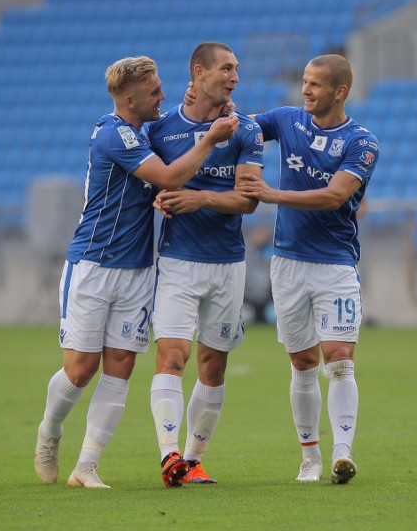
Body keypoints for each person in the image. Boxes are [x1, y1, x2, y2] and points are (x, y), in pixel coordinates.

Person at [33, 56, 238, 489]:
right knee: (81, 368)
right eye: (154, 91)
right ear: (129, 99)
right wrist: (210, 139)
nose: (162, 95)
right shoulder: (114, 135)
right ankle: (50, 430)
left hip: (138, 269)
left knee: (121, 365)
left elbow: (165, 170)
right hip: (93, 265)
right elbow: (167, 176)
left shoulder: (144, 134)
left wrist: (200, 111)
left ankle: (86, 467)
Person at [234, 54, 380, 485]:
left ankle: (342, 453)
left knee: (339, 361)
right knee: (302, 363)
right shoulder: (286, 120)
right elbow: (240, 129)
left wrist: (270, 195)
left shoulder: (362, 142)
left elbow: (336, 195)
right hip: (289, 263)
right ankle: (310, 458)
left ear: (340, 91)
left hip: (334, 266)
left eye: (316, 84)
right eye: (304, 82)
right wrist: (208, 110)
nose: (306, 90)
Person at [145, 42, 264, 487]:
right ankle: (169, 455)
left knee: (213, 366)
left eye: (237, 69)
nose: (234, 76)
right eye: (225, 68)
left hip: (227, 264)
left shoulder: (244, 130)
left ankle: (193, 459)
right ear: (198, 72)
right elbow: (147, 180)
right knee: (172, 356)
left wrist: (199, 198)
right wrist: (157, 196)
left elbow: (248, 201)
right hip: (177, 261)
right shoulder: (163, 129)